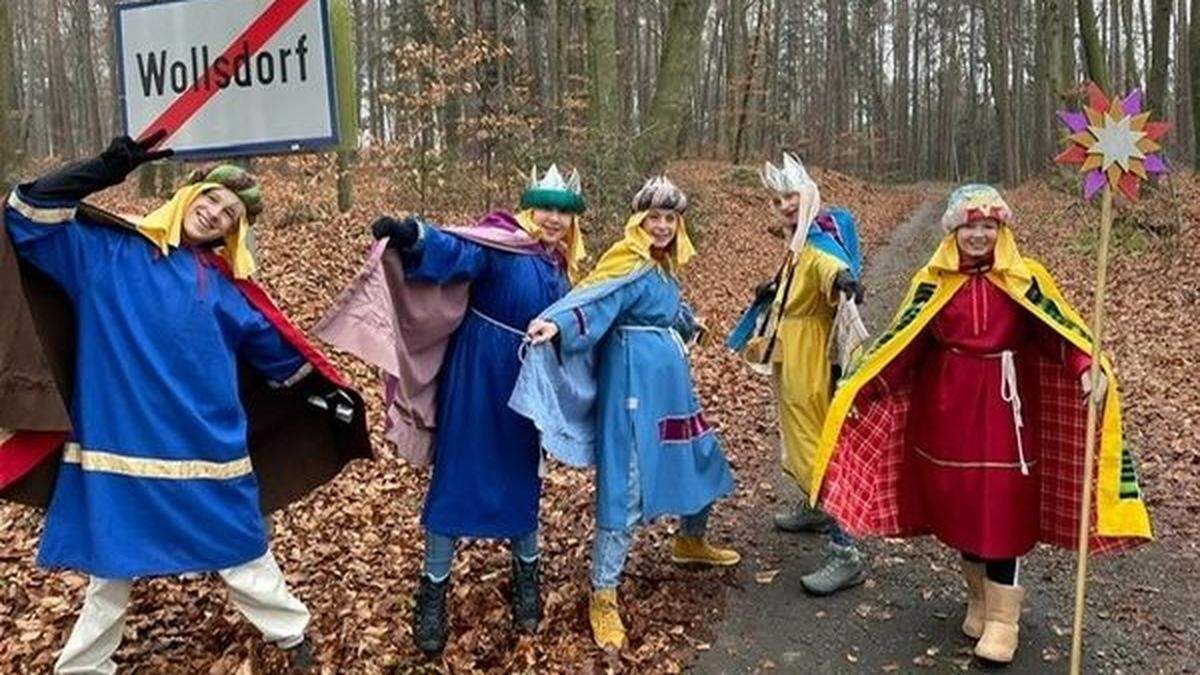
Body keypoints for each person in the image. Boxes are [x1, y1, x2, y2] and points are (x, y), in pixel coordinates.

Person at [0, 135, 372, 674]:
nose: (215, 214)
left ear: (233, 232)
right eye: (211, 199)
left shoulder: (226, 290)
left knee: (243, 551)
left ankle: (294, 640)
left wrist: (321, 398)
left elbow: (280, 361)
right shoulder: (103, 253)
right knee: (110, 570)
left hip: (206, 444)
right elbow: (28, 214)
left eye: (228, 215)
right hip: (120, 444)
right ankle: (81, 668)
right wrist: (104, 169)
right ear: (187, 194)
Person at [809, 184, 1153, 663]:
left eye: (988, 226)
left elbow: (1059, 332)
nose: (979, 234)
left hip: (1006, 415)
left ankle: (1003, 619)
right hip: (947, 412)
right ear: (955, 229)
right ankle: (978, 600)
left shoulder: (1024, 279)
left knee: (1003, 510)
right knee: (961, 505)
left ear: (1001, 230)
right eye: (971, 225)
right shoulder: (933, 281)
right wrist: (866, 386)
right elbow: (905, 344)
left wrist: (1086, 367)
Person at [317, 165, 587, 656]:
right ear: (529, 208)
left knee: (522, 475)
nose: (553, 219)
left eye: (563, 213)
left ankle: (526, 575)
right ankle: (433, 590)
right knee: (458, 475)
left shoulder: (557, 266)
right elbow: (456, 250)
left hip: (529, 385)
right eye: (546, 208)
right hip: (479, 376)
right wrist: (414, 236)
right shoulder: (500, 243)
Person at [513, 175, 739, 651]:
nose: (661, 226)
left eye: (670, 218)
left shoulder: (660, 269)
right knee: (627, 480)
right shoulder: (628, 261)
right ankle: (604, 591)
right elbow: (594, 302)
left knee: (699, 455)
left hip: (671, 389)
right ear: (639, 219)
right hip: (632, 389)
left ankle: (690, 541)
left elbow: (668, 310)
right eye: (654, 217)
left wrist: (690, 321)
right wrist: (557, 325)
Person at [734, 153, 867, 595]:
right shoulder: (799, 241)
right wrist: (772, 291)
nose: (785, 205)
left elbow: (830, 269)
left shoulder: (817, 242)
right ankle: (815, 507)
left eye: (791, 196)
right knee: (800, 433)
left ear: (808, 194)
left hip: (811, 356)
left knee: (817, 442)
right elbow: (801, 276)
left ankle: (845, 549)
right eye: (777, 199)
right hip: (793, 354)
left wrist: (844, 281)